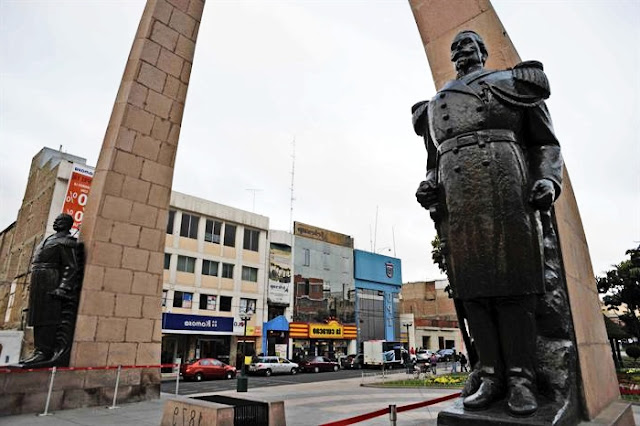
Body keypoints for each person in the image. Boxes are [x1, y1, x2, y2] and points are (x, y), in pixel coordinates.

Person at [413, 30, 562, 416]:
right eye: (456, 47)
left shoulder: (513, 84)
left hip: (504, 183)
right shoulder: (435, 104)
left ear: (482, 51)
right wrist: (430, 185)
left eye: (469, 44)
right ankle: (491, 374)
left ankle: (521, 378)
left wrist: (548, 178)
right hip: (458, 197)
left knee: (516, 287)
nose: (462, 50)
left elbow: (544, 142)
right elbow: (433, 159)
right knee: (473, 291)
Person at [20, 213, 84, 368]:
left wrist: (63, 287)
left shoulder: (66, 242)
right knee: (37, 317)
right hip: (39, 281)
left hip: (51, 280)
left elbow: (71, 266)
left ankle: (44, 351)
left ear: (67, 224)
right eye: (55, 220)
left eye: (59, 221)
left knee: (48, 317)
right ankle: (38, 350)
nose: (55, 222)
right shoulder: (48, 240)